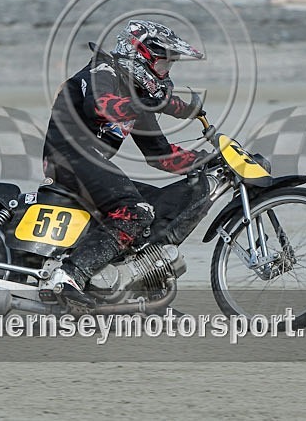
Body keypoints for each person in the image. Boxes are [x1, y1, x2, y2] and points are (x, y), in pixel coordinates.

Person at [40, 19, 209, 306]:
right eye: (162, 64)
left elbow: (159, 155)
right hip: (68, 157)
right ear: (139, 55)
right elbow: (100, 107)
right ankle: (69, 276)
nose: (165, 73)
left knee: (155, 209)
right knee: (135, 210)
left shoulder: (136, 96)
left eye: (169, 66)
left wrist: (206, 161)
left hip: (90, 162)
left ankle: (143, 295)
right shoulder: (102, 70)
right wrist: (164, 105)